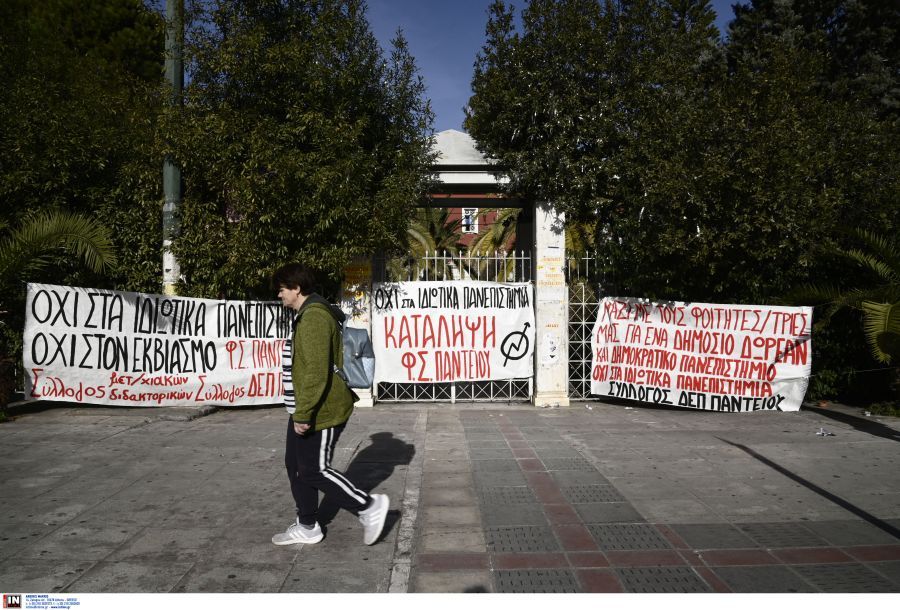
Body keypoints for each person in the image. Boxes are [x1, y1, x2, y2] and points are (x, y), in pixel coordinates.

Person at [270, 262, 388, 546]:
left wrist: (304, 413)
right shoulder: (308, 314)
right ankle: (308, 524)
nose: (280, 296)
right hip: (303, 406)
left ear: (296, 289)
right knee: (296, 466)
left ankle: (368, 507)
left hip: (319, 409)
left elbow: (315, 373)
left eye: (282, 290)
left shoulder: (313, 319)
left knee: (314, 469)